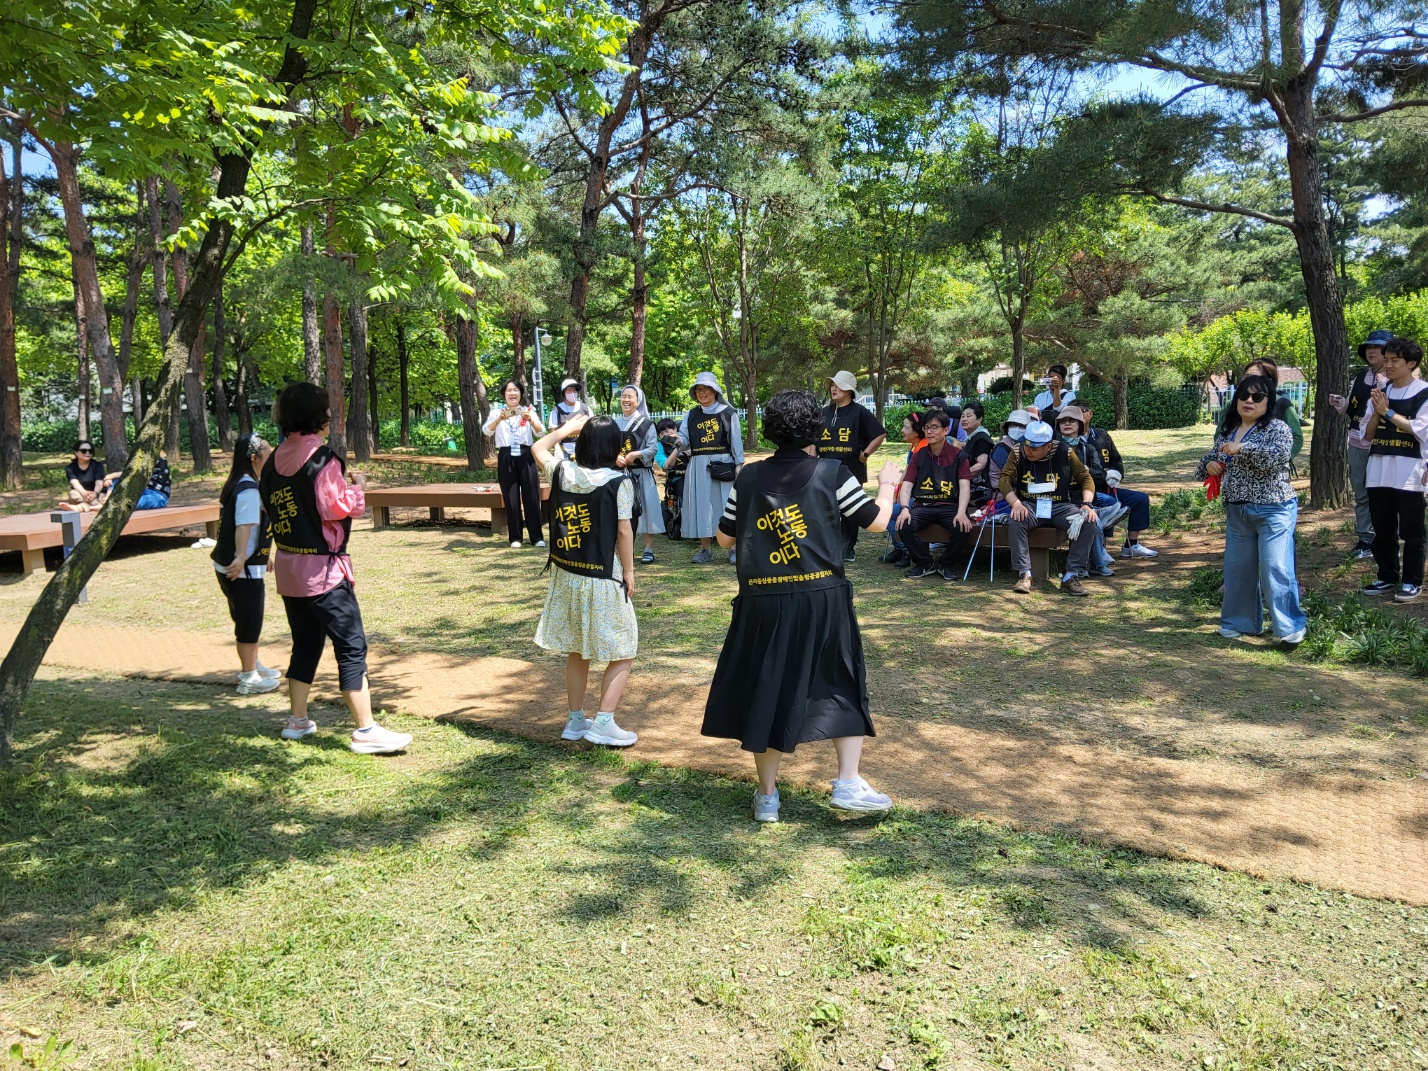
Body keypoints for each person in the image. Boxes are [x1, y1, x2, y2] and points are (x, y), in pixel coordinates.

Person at [701, 389, 900, 822]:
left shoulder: (748, 477)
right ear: (816, 428)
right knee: (840, 681)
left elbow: (724, 538)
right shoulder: (833, 472)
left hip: (763, 602)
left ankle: (767, 798)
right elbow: (877, 522)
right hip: (820, 599)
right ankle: (847, 782)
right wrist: (887, 485)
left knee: (766, 691)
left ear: (770, 430)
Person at [260, 382, 412, 754]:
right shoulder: (322, 459)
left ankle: (297, 720)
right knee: (351, 645)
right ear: (318, 415)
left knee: (305, 644)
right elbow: (337, 507)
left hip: (289, 570)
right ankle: (365, 730)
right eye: (327, 408)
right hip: (323, 573)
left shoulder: (273, 460)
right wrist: (358, 487)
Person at [531, 412, 641, 748]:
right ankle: (604, 722)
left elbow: (538, 448)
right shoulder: (619, 482)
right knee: (624, 646)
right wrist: (629, 571)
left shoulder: (563, 472)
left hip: (567, 574)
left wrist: (565, 430)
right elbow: (624, 530)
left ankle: (576, 720)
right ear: (614, 446)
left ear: (583, 443)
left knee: (578, 648)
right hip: (601, 576)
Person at [1194, 374, 1306, 642]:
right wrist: (1209, 465)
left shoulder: (1278, 429)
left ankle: (1290, 627)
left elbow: (1276, 458)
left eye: (1258, 397)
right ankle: (1240, 623)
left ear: (1269, 402)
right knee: (1238, 571)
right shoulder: (1228, 430)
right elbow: (1204, 465)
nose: (1249, 401)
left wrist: (1242, 448)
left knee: (1275, 567)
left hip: (1274, 510)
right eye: (1244, 395)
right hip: (1237, 512)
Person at [1358, 336, 1428, 603]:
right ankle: (1387, 576)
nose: (1388, 365)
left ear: (1411, 363)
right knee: (1383, 528)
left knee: (1412, 531)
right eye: (1386, 360)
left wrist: (1387, 413)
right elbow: (1366, 435)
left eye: (1394, 360)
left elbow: (1421, 430)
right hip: (1379, 471)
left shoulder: (1423, 392)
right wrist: (1377, 412)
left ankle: (1412, 581)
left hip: (1410, 473)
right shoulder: (1380, 393)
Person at [212, 434, 281, 695]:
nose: (271, 457)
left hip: (231, 564)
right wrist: (242, 557)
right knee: (249, 622)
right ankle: (248, 677)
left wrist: (262, 554)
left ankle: (252, 664)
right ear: (254, 458)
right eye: (267, 453)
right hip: (241, 570)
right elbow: (244, 527)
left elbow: (246, 529)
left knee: (244, 618)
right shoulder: (249, 490)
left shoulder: (240, 483)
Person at [998, 420, 1099, 596]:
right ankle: (1024, 573)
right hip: (1029, 505)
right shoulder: (1018, 451)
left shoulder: (1065, 451)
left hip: (1059, 505)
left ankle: (1071, 575)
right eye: (1026, 445)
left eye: (1034, 448)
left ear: (1048, 446)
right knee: (1016, 519)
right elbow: (1004, 479)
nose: (1028, 451)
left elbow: (1085, 478)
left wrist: (1086, 505)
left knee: (1087, 521)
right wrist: (1016, 504)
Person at [1330, 328, 1391, 560]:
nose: (1372, 351)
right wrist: (1341, 404)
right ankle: (1365, 539)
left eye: (1378, 347)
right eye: (1369, 347)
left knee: (1384, 493)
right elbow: (1354, 408)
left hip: (1384, 444)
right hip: (1357, 442)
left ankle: (1387, 537)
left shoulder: (1396, 379)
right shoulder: (1361, 377)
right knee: (1361, 492)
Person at [1074, 405, 1159, 560]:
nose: (1079, 414)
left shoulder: (1102, 435)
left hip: (1107, 486)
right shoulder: (1070, 440)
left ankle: (1131, 545)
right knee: (1108, 503)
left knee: (1140, 499)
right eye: (1075, 411)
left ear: (1090, 414)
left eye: (1083, 410)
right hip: (1084, 491)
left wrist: (1117, 474)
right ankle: (1100, 548)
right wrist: (1102, 475)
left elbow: (1116, 460)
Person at [818, 370, 887, 561]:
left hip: (850, 470)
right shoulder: (824, 412)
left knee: (849, 510)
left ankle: (848, 548)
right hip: (825, 469)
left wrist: (865, 454)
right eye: (832, 385)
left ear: (849, 390)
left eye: (838, 386)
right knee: (827, 508)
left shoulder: (859, 412)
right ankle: (830, 547)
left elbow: (880, 433)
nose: (834, 388)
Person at [896, 410, 973, 580]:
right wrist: (904, 508)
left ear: (946, 430)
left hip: (950, 506)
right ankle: (924, 563)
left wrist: (961, 512)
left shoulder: (959, 456)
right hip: (923, 505)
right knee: (903, 524)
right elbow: (907, 485)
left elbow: (964, 487)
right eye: (926, 427)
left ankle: (946, 564)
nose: (929, 431)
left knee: (962, 526)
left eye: (934, 427)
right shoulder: (918, 456)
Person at [678, 371, 745, 564]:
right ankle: (706, 549)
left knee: (727, 505)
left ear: (715, 390)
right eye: (698, 389)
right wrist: (677, 441)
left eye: (705, 388)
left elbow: (736, 441)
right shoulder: (691, 415)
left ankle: (733, 549)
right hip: (698, 466)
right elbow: (684, 440)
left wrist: (739, 465)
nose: (702, 392)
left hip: (723, 464)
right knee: (701, 506)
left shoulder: (728, 413)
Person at [483, 379, 546, 548]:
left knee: (531, 495)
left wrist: (531, 420)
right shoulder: (497, 412)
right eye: (509, 390)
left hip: (526, 454)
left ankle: (536, 537)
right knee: (510, 496)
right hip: (506, 454)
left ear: (521, 393)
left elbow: (541, 433)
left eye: (516, 390)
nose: (513, 393)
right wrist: (499, 419)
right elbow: (486, 431)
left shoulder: (528, 411)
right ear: (504, 394)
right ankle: (515, 537)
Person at [616, 384, 665, 563]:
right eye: (624, 396)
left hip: (641, 474)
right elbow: (609, 446)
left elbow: (653, 448)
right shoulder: (615, 424)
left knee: (646, 509)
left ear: (638, 401)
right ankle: (623, 549)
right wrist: (615, 457)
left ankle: (648, 548)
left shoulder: (646, 424)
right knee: (621, 512)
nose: (626, 400)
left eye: (630, 397)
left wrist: (636, 454)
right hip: (620, 474)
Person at [1218, 358, 1303, 460]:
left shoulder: (1282, 406)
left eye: (1255, 377)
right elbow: (1220, 433)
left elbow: (1296, 438)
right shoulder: (1233, 403)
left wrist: (1280, 461)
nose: (1249, 401)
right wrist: (1217, 459)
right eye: (1246, 377)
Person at [879, 411, 926, 566]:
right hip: (909, 496)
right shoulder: (914, 446)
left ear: (917, 431)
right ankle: (900, 548)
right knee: (887, 512)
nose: (902, 430)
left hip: (919, 499)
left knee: (884, 513)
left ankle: (905, 549)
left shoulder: (923, 449)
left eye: (906, 427)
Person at [59, 440, 115, 511]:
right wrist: (84, 493)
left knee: (103, 497)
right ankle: (96, 505)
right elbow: (74, 482)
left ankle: (80, 507)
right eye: (84, 451)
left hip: (98, 493)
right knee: (73, 494)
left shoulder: (97, 465)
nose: (87, 452)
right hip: (81, 494)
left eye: (90, 451)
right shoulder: (70, 468)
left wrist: (95, 494)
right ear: (76, 453)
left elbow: (99, 482)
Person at [655, 419, 687, 539]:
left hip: (692, 475)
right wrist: (677, 449)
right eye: (662, 434)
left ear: (676, 430)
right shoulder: (660, 447)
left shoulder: (687, 441)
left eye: (669, 431)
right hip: (676, 476)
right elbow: (667, 465)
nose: (666, 435)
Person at [986, 409, 1032, 495]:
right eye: (1013, 425)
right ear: (1007, 427)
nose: (1017, 429)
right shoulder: (1001, 449)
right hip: (1004, 495)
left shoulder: (1025, 445)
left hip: (1023, 492)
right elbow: (1016, 477)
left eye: (1021, 426)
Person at [960, 402, 995, 501]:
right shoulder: (973, 437)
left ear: (979, 419)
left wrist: (960, 476)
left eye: (968, 416)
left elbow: (981, 465)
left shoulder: (981, 438)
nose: (964, 419)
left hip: (978, 491)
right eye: (962, 416)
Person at [550, 377, 591, 459]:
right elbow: (553, 429)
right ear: (564, 392)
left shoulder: (585, 408)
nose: (572, 393)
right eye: (569, 390)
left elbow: (593, 426)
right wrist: (557, 448)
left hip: (583, 448)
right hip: (565, 450)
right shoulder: (557, 410)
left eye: (574, 390)